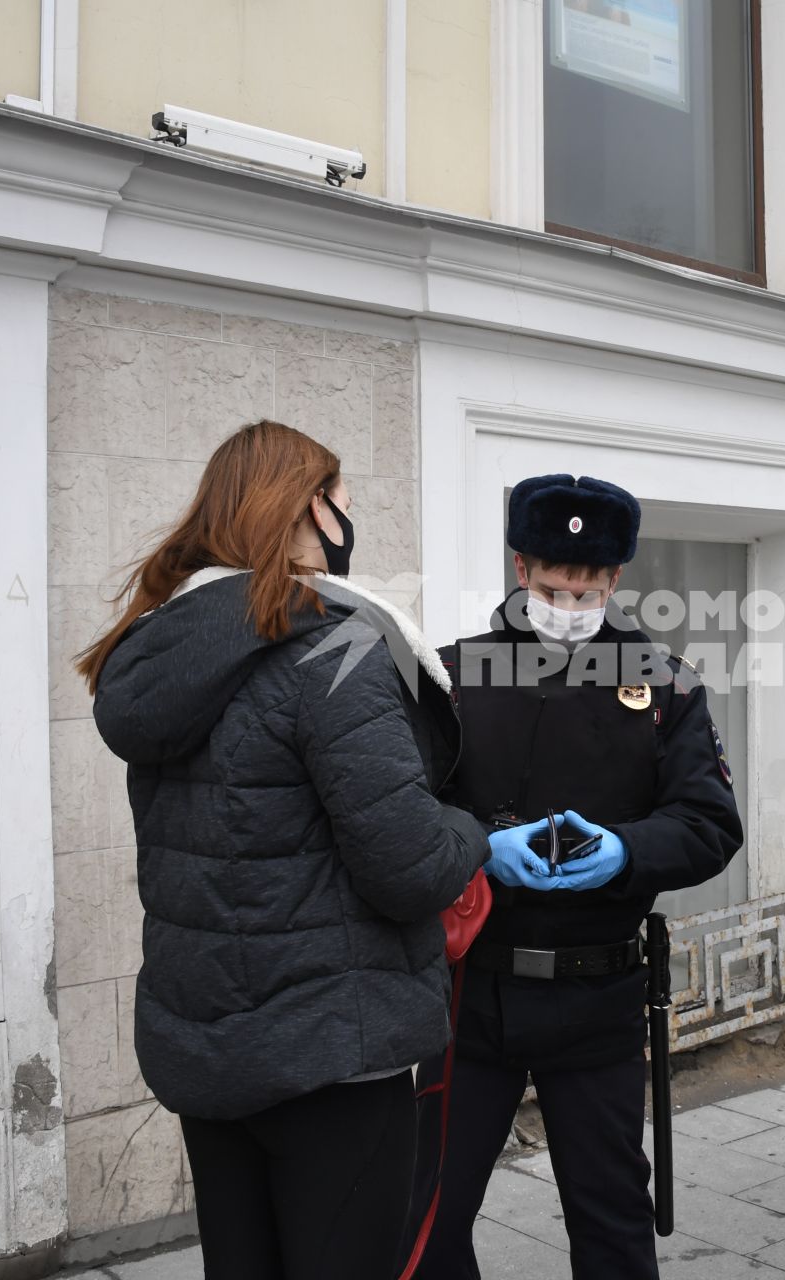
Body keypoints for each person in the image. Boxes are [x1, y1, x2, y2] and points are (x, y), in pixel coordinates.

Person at [79, 420, 495, 1280]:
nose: (351, 518)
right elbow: (411, 864)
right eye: (345, 500)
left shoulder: (164, 647)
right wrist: (475, 830)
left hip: (209, 1049)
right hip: (330, 1056)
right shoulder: (334, 648)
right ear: (313, 508)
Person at [411, 474, 743, 1280]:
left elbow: (710, 824)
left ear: (616, 581)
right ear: (521, 569)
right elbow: (406, 813)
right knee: (425, 1212)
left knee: (611, 1216)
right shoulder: (455, 676)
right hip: (473, 996)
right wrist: (485, 845)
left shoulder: (666, 685)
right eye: (555, 585)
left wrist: (627, 851)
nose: (571, 601)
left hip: (599, 997)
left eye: (589, 587)